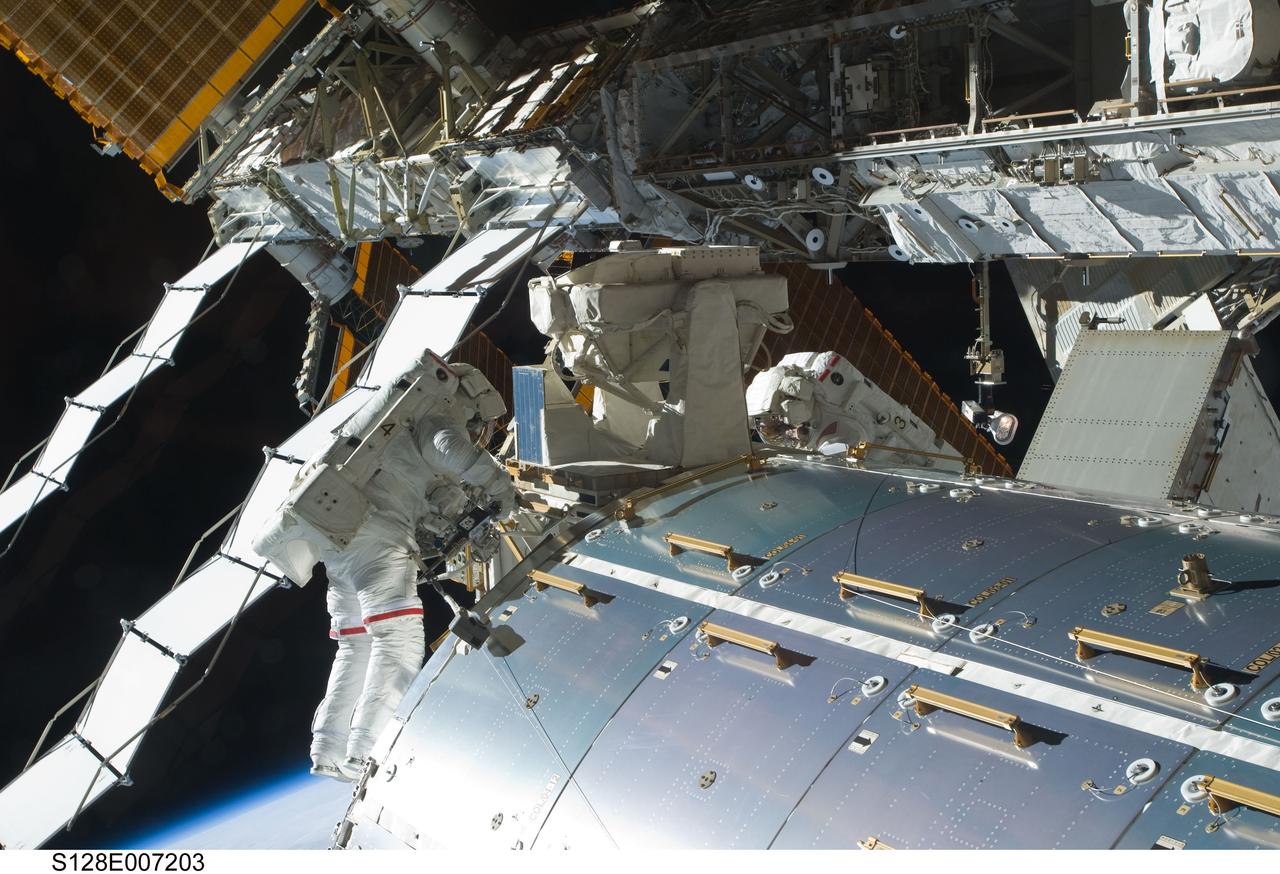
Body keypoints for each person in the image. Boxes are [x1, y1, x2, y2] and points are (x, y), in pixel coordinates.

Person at [302, 363, 516, 781]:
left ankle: (326, 748)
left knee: (355, 646)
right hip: (377, 537)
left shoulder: (393, 424)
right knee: (397, 642)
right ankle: (364, 750)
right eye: (477, 424)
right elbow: (452, 450)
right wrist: (501, 489)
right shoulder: (436, 415)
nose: (476, 432)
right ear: (472, 402)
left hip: (338, 540)